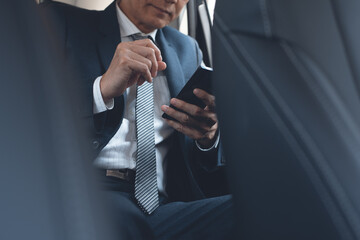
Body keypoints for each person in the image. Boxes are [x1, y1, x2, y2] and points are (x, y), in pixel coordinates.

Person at [41, 0, 233, 239]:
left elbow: (198, 164)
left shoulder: (187, 50)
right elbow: (26, 114)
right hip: (92, 192)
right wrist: (100, 91)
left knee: (252, 209)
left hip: (164, 205)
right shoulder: (62, 24)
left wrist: (208, 138)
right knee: (121, 219)